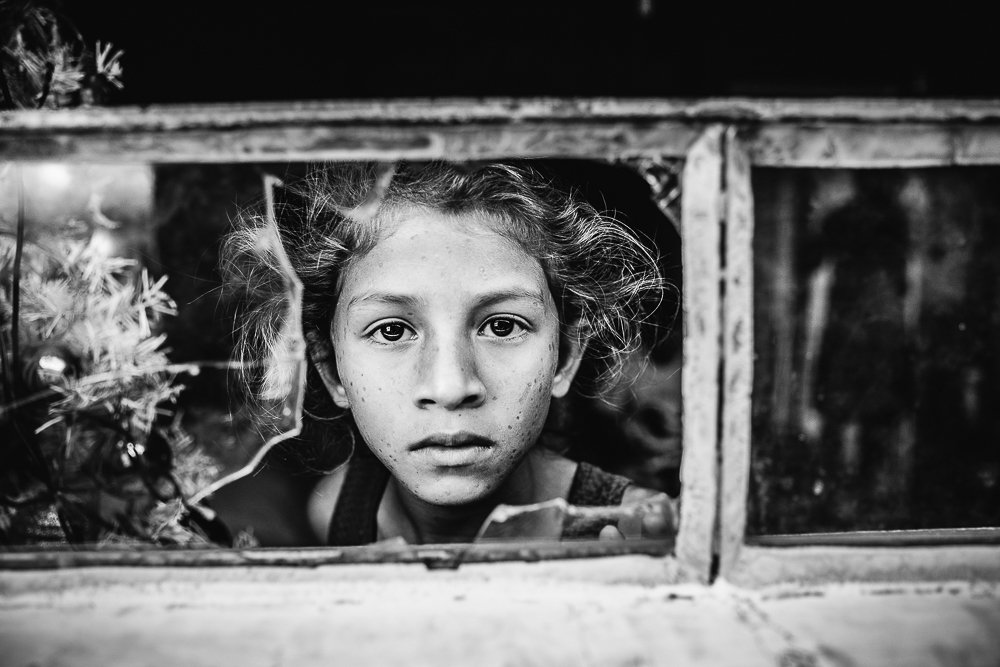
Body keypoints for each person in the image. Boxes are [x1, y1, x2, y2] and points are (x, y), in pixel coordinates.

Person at [219, 161, 676, 545]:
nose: (451, 387)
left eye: (501, 326)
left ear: (566, 354)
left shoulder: (626, 532)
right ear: (330, 368)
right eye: (393, 331)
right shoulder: (340, 509)